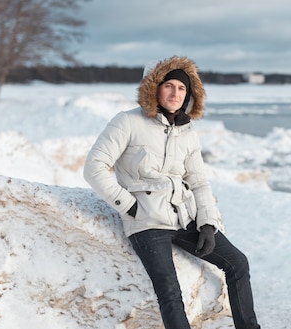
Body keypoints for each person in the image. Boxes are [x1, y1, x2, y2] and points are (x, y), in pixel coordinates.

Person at [83, 56, 261, 329]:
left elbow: (199, 181)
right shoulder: (127, 122)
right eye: (169, 85)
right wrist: (130, 206)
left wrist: (207, 224)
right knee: (169, 290)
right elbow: (94, 167)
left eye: (181, 88)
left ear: (189, 94)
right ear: (154, 87)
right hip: (147, 221)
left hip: (184, 217)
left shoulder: (187, 130)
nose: (175, 93)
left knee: (237, 263)